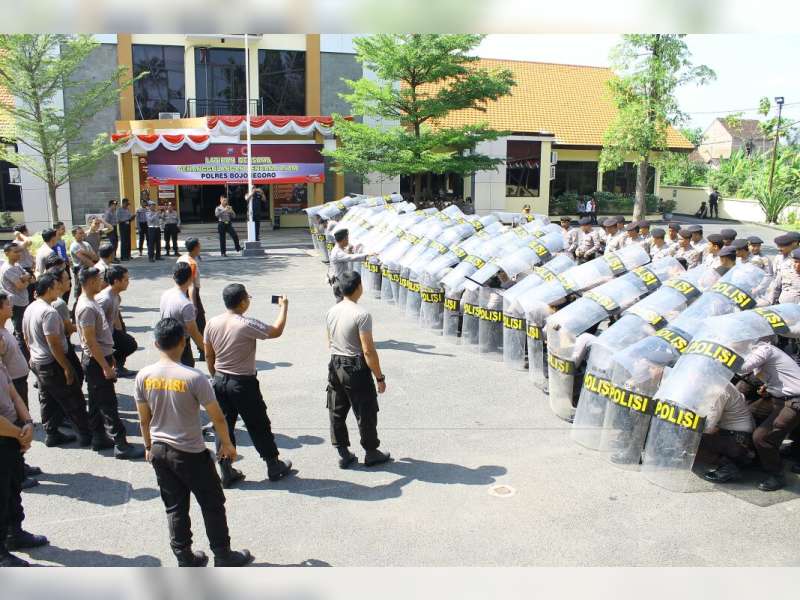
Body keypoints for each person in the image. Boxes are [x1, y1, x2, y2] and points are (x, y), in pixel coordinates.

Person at [135, 318, 254, 567]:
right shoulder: (194, 377)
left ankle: (185, 558)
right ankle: (223, 555)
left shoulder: (144, 376)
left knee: (175, 507)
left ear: (156, 344)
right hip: (190, 452)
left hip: (159, 450)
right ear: (183, 341)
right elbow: (217, 417)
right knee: (212, 504)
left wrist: (147, 446)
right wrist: (227, 444)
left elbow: (144, 419)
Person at [204, 283, 293, 486]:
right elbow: (276, 331)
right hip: (242, 383)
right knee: (258, 423)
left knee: (223, 425)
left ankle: (226, 470)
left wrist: (215, 375)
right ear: (243, 302)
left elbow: (209, 354)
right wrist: (284, 307)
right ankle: (273, 464)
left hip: (219, 380)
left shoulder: (212, 322)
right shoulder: (246, 324)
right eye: (248, 298)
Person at [75, 267, 144, 460]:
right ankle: (121, 445)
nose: (102, 282)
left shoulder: (92, 301)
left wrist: (110, 355)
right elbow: (90, 341)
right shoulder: (87, 307)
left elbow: (102, 332)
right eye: (98, 279)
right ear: (90, 282)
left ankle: (98, 437)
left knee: (96, 401)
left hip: (101, 357)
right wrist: (105, 367)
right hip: (96, 361)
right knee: (109, 404)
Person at [325, 271, 390, 469]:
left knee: (336, 409)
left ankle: (343, 452)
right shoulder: (361, 314)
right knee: (365, 410)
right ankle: (371, 452)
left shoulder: (331, 311)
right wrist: (379, 377)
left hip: (335, 363)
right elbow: (368, 350)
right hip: (355, 367)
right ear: (359, 287)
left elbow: (329, 341)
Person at [22, 272, 93, 448]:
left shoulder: (31, 307)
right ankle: (85, 435)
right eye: (56, 286)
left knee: (48, 400)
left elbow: (26, 337)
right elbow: (53, 343)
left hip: (38, 362)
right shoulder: (49, 312)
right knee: (73, 399)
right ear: (49, 289)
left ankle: (52, 434)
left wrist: (32, 356)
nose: (60, 288)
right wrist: (66, 367)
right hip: (51, 364)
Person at [0, 361, 48, 567]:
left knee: (13, 488)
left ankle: (14, 533)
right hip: (6, 434)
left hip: (11, 435)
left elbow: (14, 395)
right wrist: (19, 435)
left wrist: (27, 422)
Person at [736, 342, 800, 491]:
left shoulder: (764, 349)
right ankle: (758, 459)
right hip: (778, 399)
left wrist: (721, 358)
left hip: (795, 399)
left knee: (763, 437)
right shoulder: (756, 352)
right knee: (748, 415)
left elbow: (743, 368)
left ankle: (777, 475)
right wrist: (769, 387)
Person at [0, 293, 40, 490]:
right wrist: (20, 434)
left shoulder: (4, 330)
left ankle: (20, 464)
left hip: (14, 384)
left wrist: (28, 423)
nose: (11, 306)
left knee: (21, 421)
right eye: (7, 304)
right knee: (14, 428)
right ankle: (18, 471)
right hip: (10, 386)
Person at [699, 384, 756, 484]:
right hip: (733, 433)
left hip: (737, 437)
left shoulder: (718, 390)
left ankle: (729, 467)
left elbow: (708, 426)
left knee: (696, 438)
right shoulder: (718, 384)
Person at [160, 263, 204, 368]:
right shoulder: (186, 304)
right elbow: (194, 332)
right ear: (191, 278)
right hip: (180, 346)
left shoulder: (165, 294)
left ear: (173, 277)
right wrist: (208, 350)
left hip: (166, 341)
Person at [96, 266, 137, 378]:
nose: (128, 282)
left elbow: (115, 315)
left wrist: (120, 331)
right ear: (116, 281)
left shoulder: (116, 296)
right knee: (128, 344)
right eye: (126, 280)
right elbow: (96, 322)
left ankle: (118, 366)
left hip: (111, 331)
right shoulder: (105, 299)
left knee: (129, 344)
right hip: (102, 336)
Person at [0, 243, 33, 359]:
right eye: (15, 252)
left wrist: (25, 278)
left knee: (23, 329)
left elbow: (30, 277)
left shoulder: (17, 265)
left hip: (23, 301)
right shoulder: (7, 269)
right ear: (7, 254)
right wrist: (25, 279)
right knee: (21, 332)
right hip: (16, 304)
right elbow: (20, 286)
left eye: (19, 251)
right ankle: (24, 358)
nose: (19, 254)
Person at [177, 238, 205, 360]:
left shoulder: (181, 258)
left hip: (180, 292)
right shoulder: (191, 263)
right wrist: (194, 305)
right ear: (196, 248)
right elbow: (191, 285)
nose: (200, 247)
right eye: (199, 245)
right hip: (191, 294)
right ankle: (203, 350)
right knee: (200, 322)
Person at [328, 229, 372, 302]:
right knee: (342, 303)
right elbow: (350, 257)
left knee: (345, 302)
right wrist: (367, 255)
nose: (348, 241)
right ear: (343, 239)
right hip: (339, 282)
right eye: (347, 239)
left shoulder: (339, 249)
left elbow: (346, 254)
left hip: (340, 280)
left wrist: (350, 250)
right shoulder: (337, 252)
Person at [68, 226, 97, 304]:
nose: (82, 235)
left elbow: (95, 256)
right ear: (74, 235)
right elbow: (84, 259)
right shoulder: (74, 245)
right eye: (80, 233)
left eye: (83, 233)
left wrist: (84, 252)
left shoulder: (86, 244)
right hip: (80, 269)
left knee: (90, 288)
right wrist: (95, 267)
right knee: (80, 290)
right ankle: (77, 305)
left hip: (89, 268)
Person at [769, 233, 800, 304]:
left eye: (782, 246)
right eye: (778, 246)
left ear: (793, 244)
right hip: (781, 298)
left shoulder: (795, 257)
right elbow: (775, 280)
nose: (779, 249)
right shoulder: (778, 258)